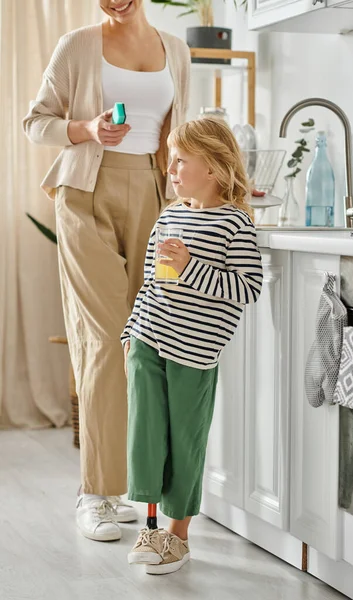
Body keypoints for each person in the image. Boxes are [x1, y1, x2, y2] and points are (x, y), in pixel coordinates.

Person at [22, 0, 191, 542]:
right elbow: (35, 122)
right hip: (85, 193)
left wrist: (226, 184)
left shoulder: (179, 50)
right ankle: (96, 492)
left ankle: (136, 486)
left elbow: (184, 135)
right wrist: (87, 128)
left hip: (156, 194)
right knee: (103, 337)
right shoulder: (77, 45)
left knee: (148, 339)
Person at [121, 117, 263, 575]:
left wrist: (190, 267)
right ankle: (150, 528)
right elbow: (150, 282)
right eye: (171, 158)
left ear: (215, 168)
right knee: (146, 436)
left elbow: (248, 288)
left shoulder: (235, 224)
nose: (171, 168)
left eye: (181, 159)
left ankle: (177, 537)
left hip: (195, 354)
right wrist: (131, 333)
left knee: (185, 442)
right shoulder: (170, 215)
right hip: (149, 340)